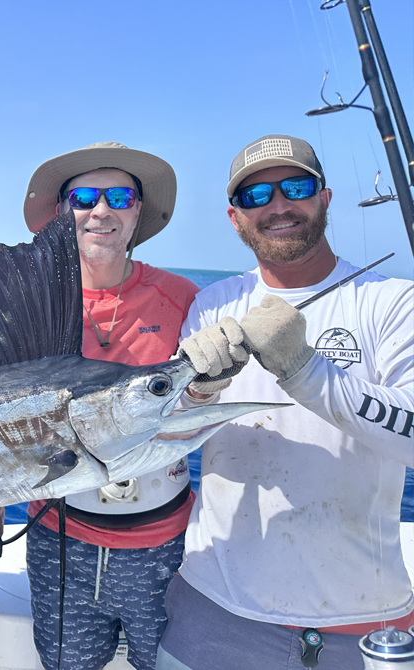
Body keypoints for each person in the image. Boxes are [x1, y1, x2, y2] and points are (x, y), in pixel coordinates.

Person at [156, 134, 414, 670]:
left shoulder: (394, 302)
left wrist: (306, 370)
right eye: (256, 196)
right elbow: (166, 441)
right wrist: (199, 392)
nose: (277, 206)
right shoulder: (212, 303)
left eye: (295, 187)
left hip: (363, 624)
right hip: (214, 614)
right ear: (234, 217)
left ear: (325, 197)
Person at [21, 142, 199, 670]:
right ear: (62, 210)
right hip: (58, 543)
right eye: (84, 196)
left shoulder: (184, 297)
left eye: (120, 196)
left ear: (137, 211)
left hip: (162, 546)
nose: (102, 210)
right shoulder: (29, 305)